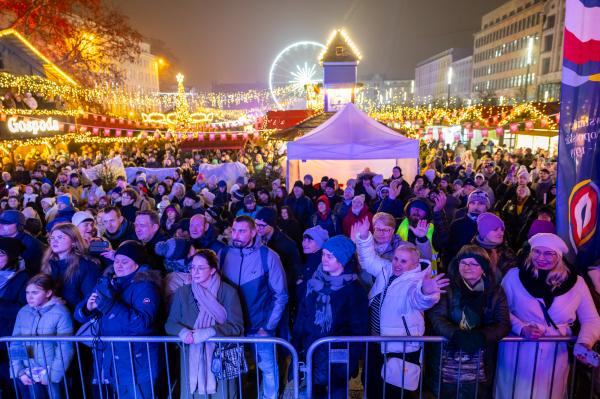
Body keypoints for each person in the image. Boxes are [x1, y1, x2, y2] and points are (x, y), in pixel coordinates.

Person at [496, 233, 600, 399]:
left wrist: (585, 342)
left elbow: (591, 319)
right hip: (517, 352)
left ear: (558, 256)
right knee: (515, 392)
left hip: (554, 355)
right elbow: (500, 310)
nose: (541, 258)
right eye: (537, 252)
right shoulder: (514, 276)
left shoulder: (576, 282)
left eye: (548, 253)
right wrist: (521, 328)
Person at [352, 219, 448, 399]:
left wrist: (426, 292)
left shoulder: (416, 280)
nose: (397, 263)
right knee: (373, 387)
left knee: (396, 393)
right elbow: (369, 260)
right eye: (396, 258)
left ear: (414, 264)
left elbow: (419, 299)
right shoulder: (387, 269)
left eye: (403, 261)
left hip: (400, 347)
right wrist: (364, 238)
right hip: (376, 342)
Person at [75, 240, 163, 399]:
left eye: (125, 262)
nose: (118, 265)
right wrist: (87, 308)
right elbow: (78, 314)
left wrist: (109, 306)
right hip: (114, 360)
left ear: (137, 264)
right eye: (116, 261)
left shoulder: (146, 287)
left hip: (138, 361)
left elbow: (141, 323)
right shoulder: (107, 281)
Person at [428, 245, 510, 398]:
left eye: (474, 263)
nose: (467, 267)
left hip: (481, 358)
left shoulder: (495, 291)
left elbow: (503, 323)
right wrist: (457, 335)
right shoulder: (446, 287)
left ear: (484, 267)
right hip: (447, 358)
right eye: (463, 262)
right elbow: (437, 317)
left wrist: (480, 337)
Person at [293, 235, 369, 399]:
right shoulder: (313, 283)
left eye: (330, 256)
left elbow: (359, 328)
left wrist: (352, 360)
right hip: (312, 350)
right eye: (323, 254)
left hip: (338, 358)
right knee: (314, 393)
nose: (324, 259)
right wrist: (297, 345)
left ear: (342, 259)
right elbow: (303, 315)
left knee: (337, 394)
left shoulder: (354, 290)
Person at [220, 216, 287, 399]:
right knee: (233, 371)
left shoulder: (268, 256)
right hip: (232, 327)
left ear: (253, 232)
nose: (236, 235)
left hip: (259, 326)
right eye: (234, 230)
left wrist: (268, 326)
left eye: (241, 231)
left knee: (267, 368)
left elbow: (280, 295)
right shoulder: (223, 254)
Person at [165, 249, 244, 398]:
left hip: (221, 359)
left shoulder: (228, 292)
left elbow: (237, 327)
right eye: (193, 267)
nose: (195, 272)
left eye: (201, 268)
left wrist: (209, 332)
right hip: (191, 358)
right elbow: (170, 324)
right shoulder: (183, 292)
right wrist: (183, 332)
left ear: (213, 270)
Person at [10, 274, 73, 399]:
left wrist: (53, 375)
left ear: (48, 293)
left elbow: (65, 348)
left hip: (51, 371)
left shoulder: (60, 313)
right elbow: (16, 342)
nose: (30, 297)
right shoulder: (23, 312)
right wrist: (20, 371)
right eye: (27, 292)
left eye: (35, 293)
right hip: (29, 371)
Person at [41, 223, 101, 311]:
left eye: (60, 237)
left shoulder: (87, 266)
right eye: (52, 238)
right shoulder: (49, 263)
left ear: (73, 242)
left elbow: (90, 301)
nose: (54, 241)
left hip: (75, 317)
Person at [0, 237, 28, 398]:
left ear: (12, 256)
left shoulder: (24, 278)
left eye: (1, 254)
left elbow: (23, 310)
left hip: (15, 339)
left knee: (17, 381)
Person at [472, 212, 516, 281]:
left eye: (502, 229)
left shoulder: (507, 252)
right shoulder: (471, 252)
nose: (501, 233)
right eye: (495, 229)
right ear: (484, 231)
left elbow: (512, 279)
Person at [296, 226, 329, 302]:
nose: (304, 243)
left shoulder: (322, 263)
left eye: (310, 241)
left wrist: (300, 283)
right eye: (304, 239)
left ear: (319, 243)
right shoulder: (311, 256)